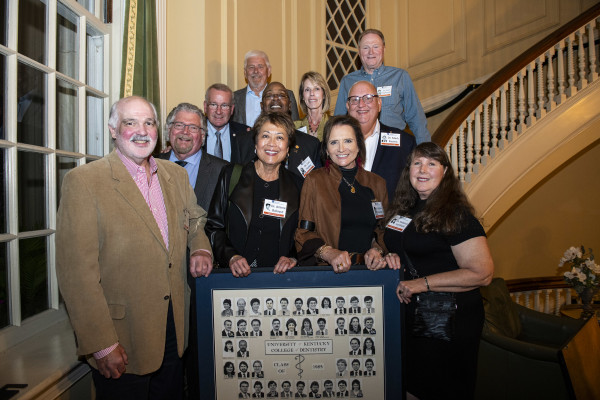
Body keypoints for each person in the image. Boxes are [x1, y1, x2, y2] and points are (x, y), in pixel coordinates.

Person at [55, 96, 213, 400]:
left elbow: (194, 219)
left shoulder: (175, 176)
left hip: (173, 332)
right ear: (114, 130)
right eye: (131, 122)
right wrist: (102, 344)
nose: (142, 131)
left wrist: (201, 248)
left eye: (148, 122)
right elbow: (77, 275)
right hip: (122, 341)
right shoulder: (84, 182)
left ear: (158, 130)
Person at [383, 142, 494, 399]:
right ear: (408, 170)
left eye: (432, 163)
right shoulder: (405, 210)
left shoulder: (456, 214)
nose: (423, 169)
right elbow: (404, 247)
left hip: (447, 318)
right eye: (417, 163)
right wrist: (385, 254)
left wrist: (420, 283)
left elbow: (482, 273)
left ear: (444, 172)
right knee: (412, 384)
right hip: (412, 314)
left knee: (438, 387)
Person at [205, 112, 302, 275]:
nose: (272, 144)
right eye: (265, 136)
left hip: (279, 279)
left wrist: (292, 257)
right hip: (234, 277)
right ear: (256, 143)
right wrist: (230, 256)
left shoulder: (298, 185)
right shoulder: (231, 176)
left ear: (288, 148)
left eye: (279, 137)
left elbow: (302, 234)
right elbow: (214, 227)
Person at [295, 115, 390, 271]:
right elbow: (303, 233)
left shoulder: (377, 183)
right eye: (334, 142)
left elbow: (382, 230)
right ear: (326, 149)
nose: (341, 149)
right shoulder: (314, 181)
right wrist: (328, 253)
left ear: (359, 144)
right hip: (330, 273)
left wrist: (377, 249)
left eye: (348, 141)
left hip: (370, 272)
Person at [334, 29, 430, 144]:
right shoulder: (347, 81)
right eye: (365, 47)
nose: (371, 52)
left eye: (376, 46)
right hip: (359, 148)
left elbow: (416, 119)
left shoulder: (400, 77)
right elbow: (338, 122)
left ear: (383, 49)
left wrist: (424, 151)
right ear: (359, 52)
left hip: (393, 147)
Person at [346, 81, 416, 202]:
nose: (361, 104)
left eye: (368, 98)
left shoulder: (405, 144)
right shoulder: (334, 144)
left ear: (379, 104)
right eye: (355, 99)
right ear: (348, 106)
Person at [160, 102, 229, 210]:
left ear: (202, 136)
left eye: (193, 128)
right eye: (179, 125)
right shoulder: (151, 164)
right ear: (169, 130)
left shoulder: (223, 171)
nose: (185, 132)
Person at [260, 81, 321, 180]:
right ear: (261, 106)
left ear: (289, 105)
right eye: (269, 95)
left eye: (281, 95)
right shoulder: (244, 142)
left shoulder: (311, 144)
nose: (275, 98)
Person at [233, 50, 299, 126]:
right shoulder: (234, 98)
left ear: (269, 71)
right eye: (251, 67)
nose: (256, 71)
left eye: (260, 67)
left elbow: (296, 128)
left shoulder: (287, 95)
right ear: (245, 72)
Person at [204, 83, 255, 164]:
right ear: (205, 107)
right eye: (213, 105)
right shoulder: (195, 133)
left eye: (224, 105)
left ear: (232, 109)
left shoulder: (245, 134)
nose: (218, 111)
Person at [295, 71, 331, 141]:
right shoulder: (295, 127)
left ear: (323, 94)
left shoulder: (334, 125)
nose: (312, 93)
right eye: (307, 90)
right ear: (302, 96)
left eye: (316, 89)